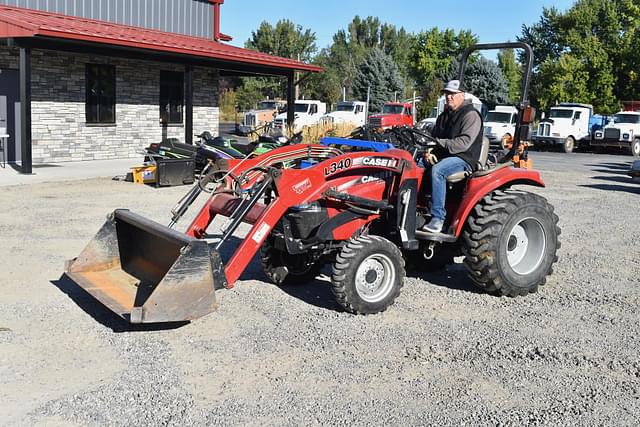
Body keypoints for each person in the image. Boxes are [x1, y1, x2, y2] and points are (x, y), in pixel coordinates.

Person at [421, 79, 484, 233]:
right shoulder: (444, 115)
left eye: (453, 94)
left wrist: (439, 144)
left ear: (461, 95)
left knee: (438, 171)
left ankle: (438, 218)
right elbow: (433, 137)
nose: (449, 97)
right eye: (447, 93)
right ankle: (416, 207)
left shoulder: (470, 115)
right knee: (412, 164)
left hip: (464, 158)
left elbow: (463, 143)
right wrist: (428, 151)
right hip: (443, 155)